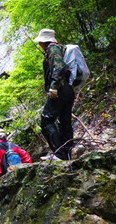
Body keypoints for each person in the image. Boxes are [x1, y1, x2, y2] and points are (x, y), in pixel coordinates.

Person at [34, 29, 75, 160]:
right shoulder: (60, 48)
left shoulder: (53, 50)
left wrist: (54, 87)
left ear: (43, 41)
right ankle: (67, 155)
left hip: (60, 89)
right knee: (65, 121)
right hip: (68, 89)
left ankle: (58, 154)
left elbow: (59, 67)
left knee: (46, 120)